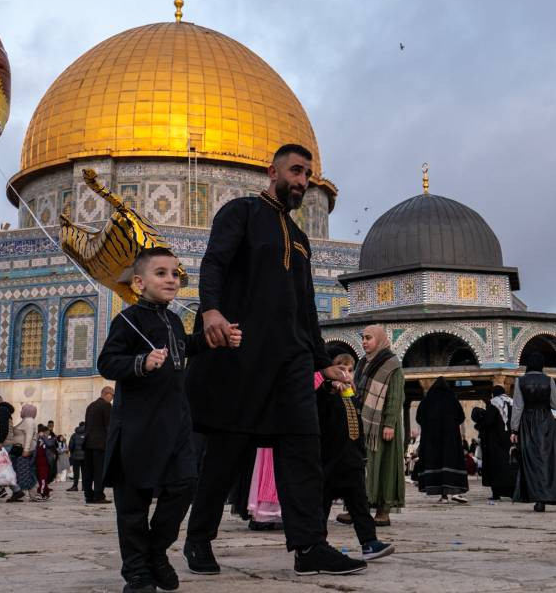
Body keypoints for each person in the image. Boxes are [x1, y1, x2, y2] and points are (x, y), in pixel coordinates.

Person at [183, 144, 363, 577]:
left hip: (292, 362)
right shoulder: (241, 213)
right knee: (227, 451)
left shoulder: (300, 240)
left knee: (302, 449)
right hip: (243, 353)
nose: (302, 181)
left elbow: (306, 308)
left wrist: (322, 363)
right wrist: (211, 310)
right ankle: (198, 538)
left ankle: (309, 547)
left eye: (308, 175)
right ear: (273, 171)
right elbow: (215, 263)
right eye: (296, 171)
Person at [97, 247, 229, 593]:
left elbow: (183, 348)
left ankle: (156, 552)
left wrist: (214, 340)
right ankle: (138, 571)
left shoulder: (172, 320)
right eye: (161, 273)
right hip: (138, 428)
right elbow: (107, 363)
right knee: (134, 504)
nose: (171, 279)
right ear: (139, 283)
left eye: (175, 274)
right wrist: (141, 363)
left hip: (174, 425)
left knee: (184, 486)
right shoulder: (126, 322)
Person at [317, 354, 394, 561]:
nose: (346, 374)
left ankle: (369, 543)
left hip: (352, 461)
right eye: (341, 369)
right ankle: (316, 544)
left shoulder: (352, 397)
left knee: (360, 505)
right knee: (321, 506)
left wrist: (362, 456)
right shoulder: (325, 395)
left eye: (350, 370)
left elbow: (357, 427)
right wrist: (329, 387)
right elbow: (320, 406)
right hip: (330, 462)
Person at [349, 325, 405, 526]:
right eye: (363, 338)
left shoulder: (392, 364)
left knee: (384, 467)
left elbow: (395, 396)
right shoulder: (363, 362)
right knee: (360, 466)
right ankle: (358, 507)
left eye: (368, 338)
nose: (364, 342)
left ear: (380, 339)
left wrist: (389, 423)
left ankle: (383, 510)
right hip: (363, 422)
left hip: (382, 426)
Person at [510, 353, 556, 511]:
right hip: (546, 422)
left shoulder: (520, 381)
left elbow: (518, 407)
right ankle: (546, 496)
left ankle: (536, 496)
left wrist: (514, 429)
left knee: (531, 460)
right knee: (546, 459)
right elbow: (555, 405)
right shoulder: (549, 380)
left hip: (527, 423)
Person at [416, 377, 469, 503]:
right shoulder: (452, 400)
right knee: (449, 463)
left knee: (436, 464)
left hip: (432, 441)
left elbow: (419, 418)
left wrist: (430, 426)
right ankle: (451, 493)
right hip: (450, 440)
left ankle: (443, 496)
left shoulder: (427, 401)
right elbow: (461, 417)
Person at [471, 385, 517, 499]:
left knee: (496, 466)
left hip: (495, 442)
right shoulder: (512, 403)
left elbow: (489, 421)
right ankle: (511, 492)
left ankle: (497, 493)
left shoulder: (494, 404)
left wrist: (479, 425)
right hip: (510, 440)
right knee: (510, 466)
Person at [83, 386, 113, 504]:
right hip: (100, 444)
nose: (112, 399)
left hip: (88, 443)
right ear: (107, 394)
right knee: (99, 471)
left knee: (88, 471)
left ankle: (88, 495)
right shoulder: (106, 406)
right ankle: (99, 495)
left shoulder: (90, 406)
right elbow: (109, 426)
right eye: (112, 396)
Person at [13, 404, 39, 498]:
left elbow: (29, 435)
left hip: (24, 451)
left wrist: (26, 449)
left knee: (26, 472)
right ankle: (31, 493)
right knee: (25, 471)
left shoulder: (28, 420)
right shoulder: (27, 420)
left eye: (23, 409)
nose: (21, 411)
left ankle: (34, 493)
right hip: (22, 450)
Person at [68, 421, 87, 491]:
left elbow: (70, 446)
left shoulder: (74, 435)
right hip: (85, 457)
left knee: (76, 473)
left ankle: (75, 486)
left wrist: (73, 453)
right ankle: (84, 487)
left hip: (75, 456)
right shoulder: (87, 434)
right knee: (84, 473)